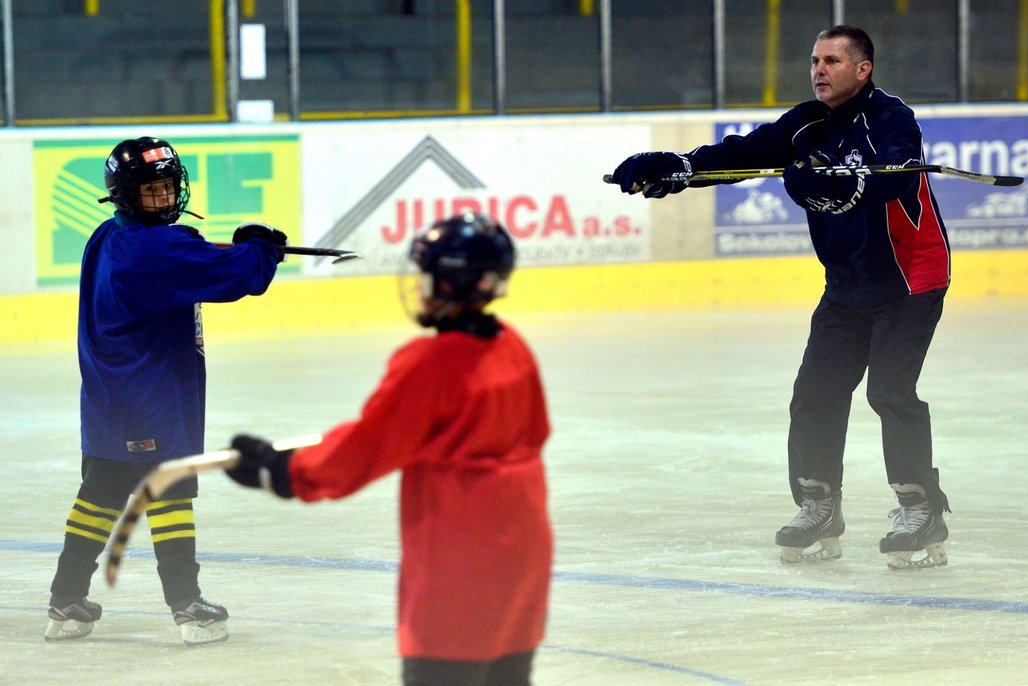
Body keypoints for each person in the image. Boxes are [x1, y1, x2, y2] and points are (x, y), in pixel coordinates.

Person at [610, 25, 951, 570]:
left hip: (910, 279)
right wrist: (677, 168)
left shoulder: (891, 118)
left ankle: (921, 508)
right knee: (815, 392)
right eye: (815, 60)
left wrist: (842, 183)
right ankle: (819, 505)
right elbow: (743, 154)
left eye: (833, 61)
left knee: (890, 392)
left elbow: (895, 176)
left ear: (862, 69)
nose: (819, 69)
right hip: (846, 284)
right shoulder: (805, 124)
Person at [225, 213, 553, 686]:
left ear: (450, 281)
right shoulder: (512, 346)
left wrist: (282, 469)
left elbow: (364, 449)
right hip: (522, 559)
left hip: (460, 564)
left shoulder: (432, 364)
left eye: (428, 275)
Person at [45, 136, 288, 645]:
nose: (162, 197)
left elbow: (187, 256)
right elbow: (235, 276)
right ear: (124, 194)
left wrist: (236, 249)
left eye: (167, 186)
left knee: (100, 495)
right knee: (170, 492)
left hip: (109, 399)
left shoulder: (109, 236)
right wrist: (261, 249)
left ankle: (65, 600)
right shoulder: (155, 250)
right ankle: (187, 608)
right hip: (150, 400)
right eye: (149, 190)